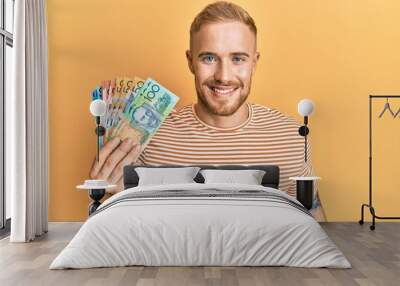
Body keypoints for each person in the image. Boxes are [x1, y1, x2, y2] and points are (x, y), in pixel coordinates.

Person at [89, 1, 325, 220]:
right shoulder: (147, 137)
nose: (223, 76)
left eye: (238, 59)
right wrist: (109, 198)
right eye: (209, 58)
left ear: (255, 62)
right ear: (190, 61)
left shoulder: (290, 136)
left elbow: (315, 224)